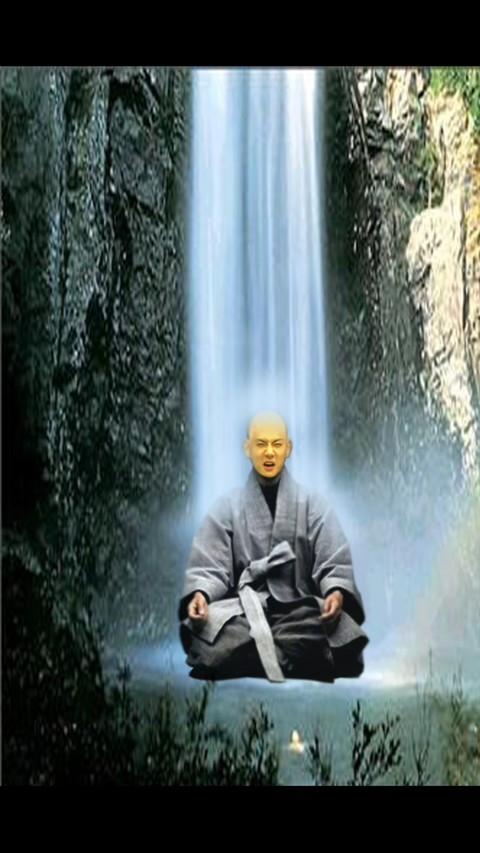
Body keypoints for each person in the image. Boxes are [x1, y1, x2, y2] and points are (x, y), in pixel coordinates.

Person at [178, 410, 369, 682]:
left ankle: (247, 660)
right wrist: (201, 594)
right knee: (210, 630)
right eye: (261, 444)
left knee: (331, 630)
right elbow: (210, 565)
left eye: (276, 444)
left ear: (287, 448)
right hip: (243, 613)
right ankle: (298, 659)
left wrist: (335, 594)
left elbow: (333, 560)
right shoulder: (227, 508)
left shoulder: (312, 506)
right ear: (247, 449)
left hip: (298, 612)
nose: (269, 453)